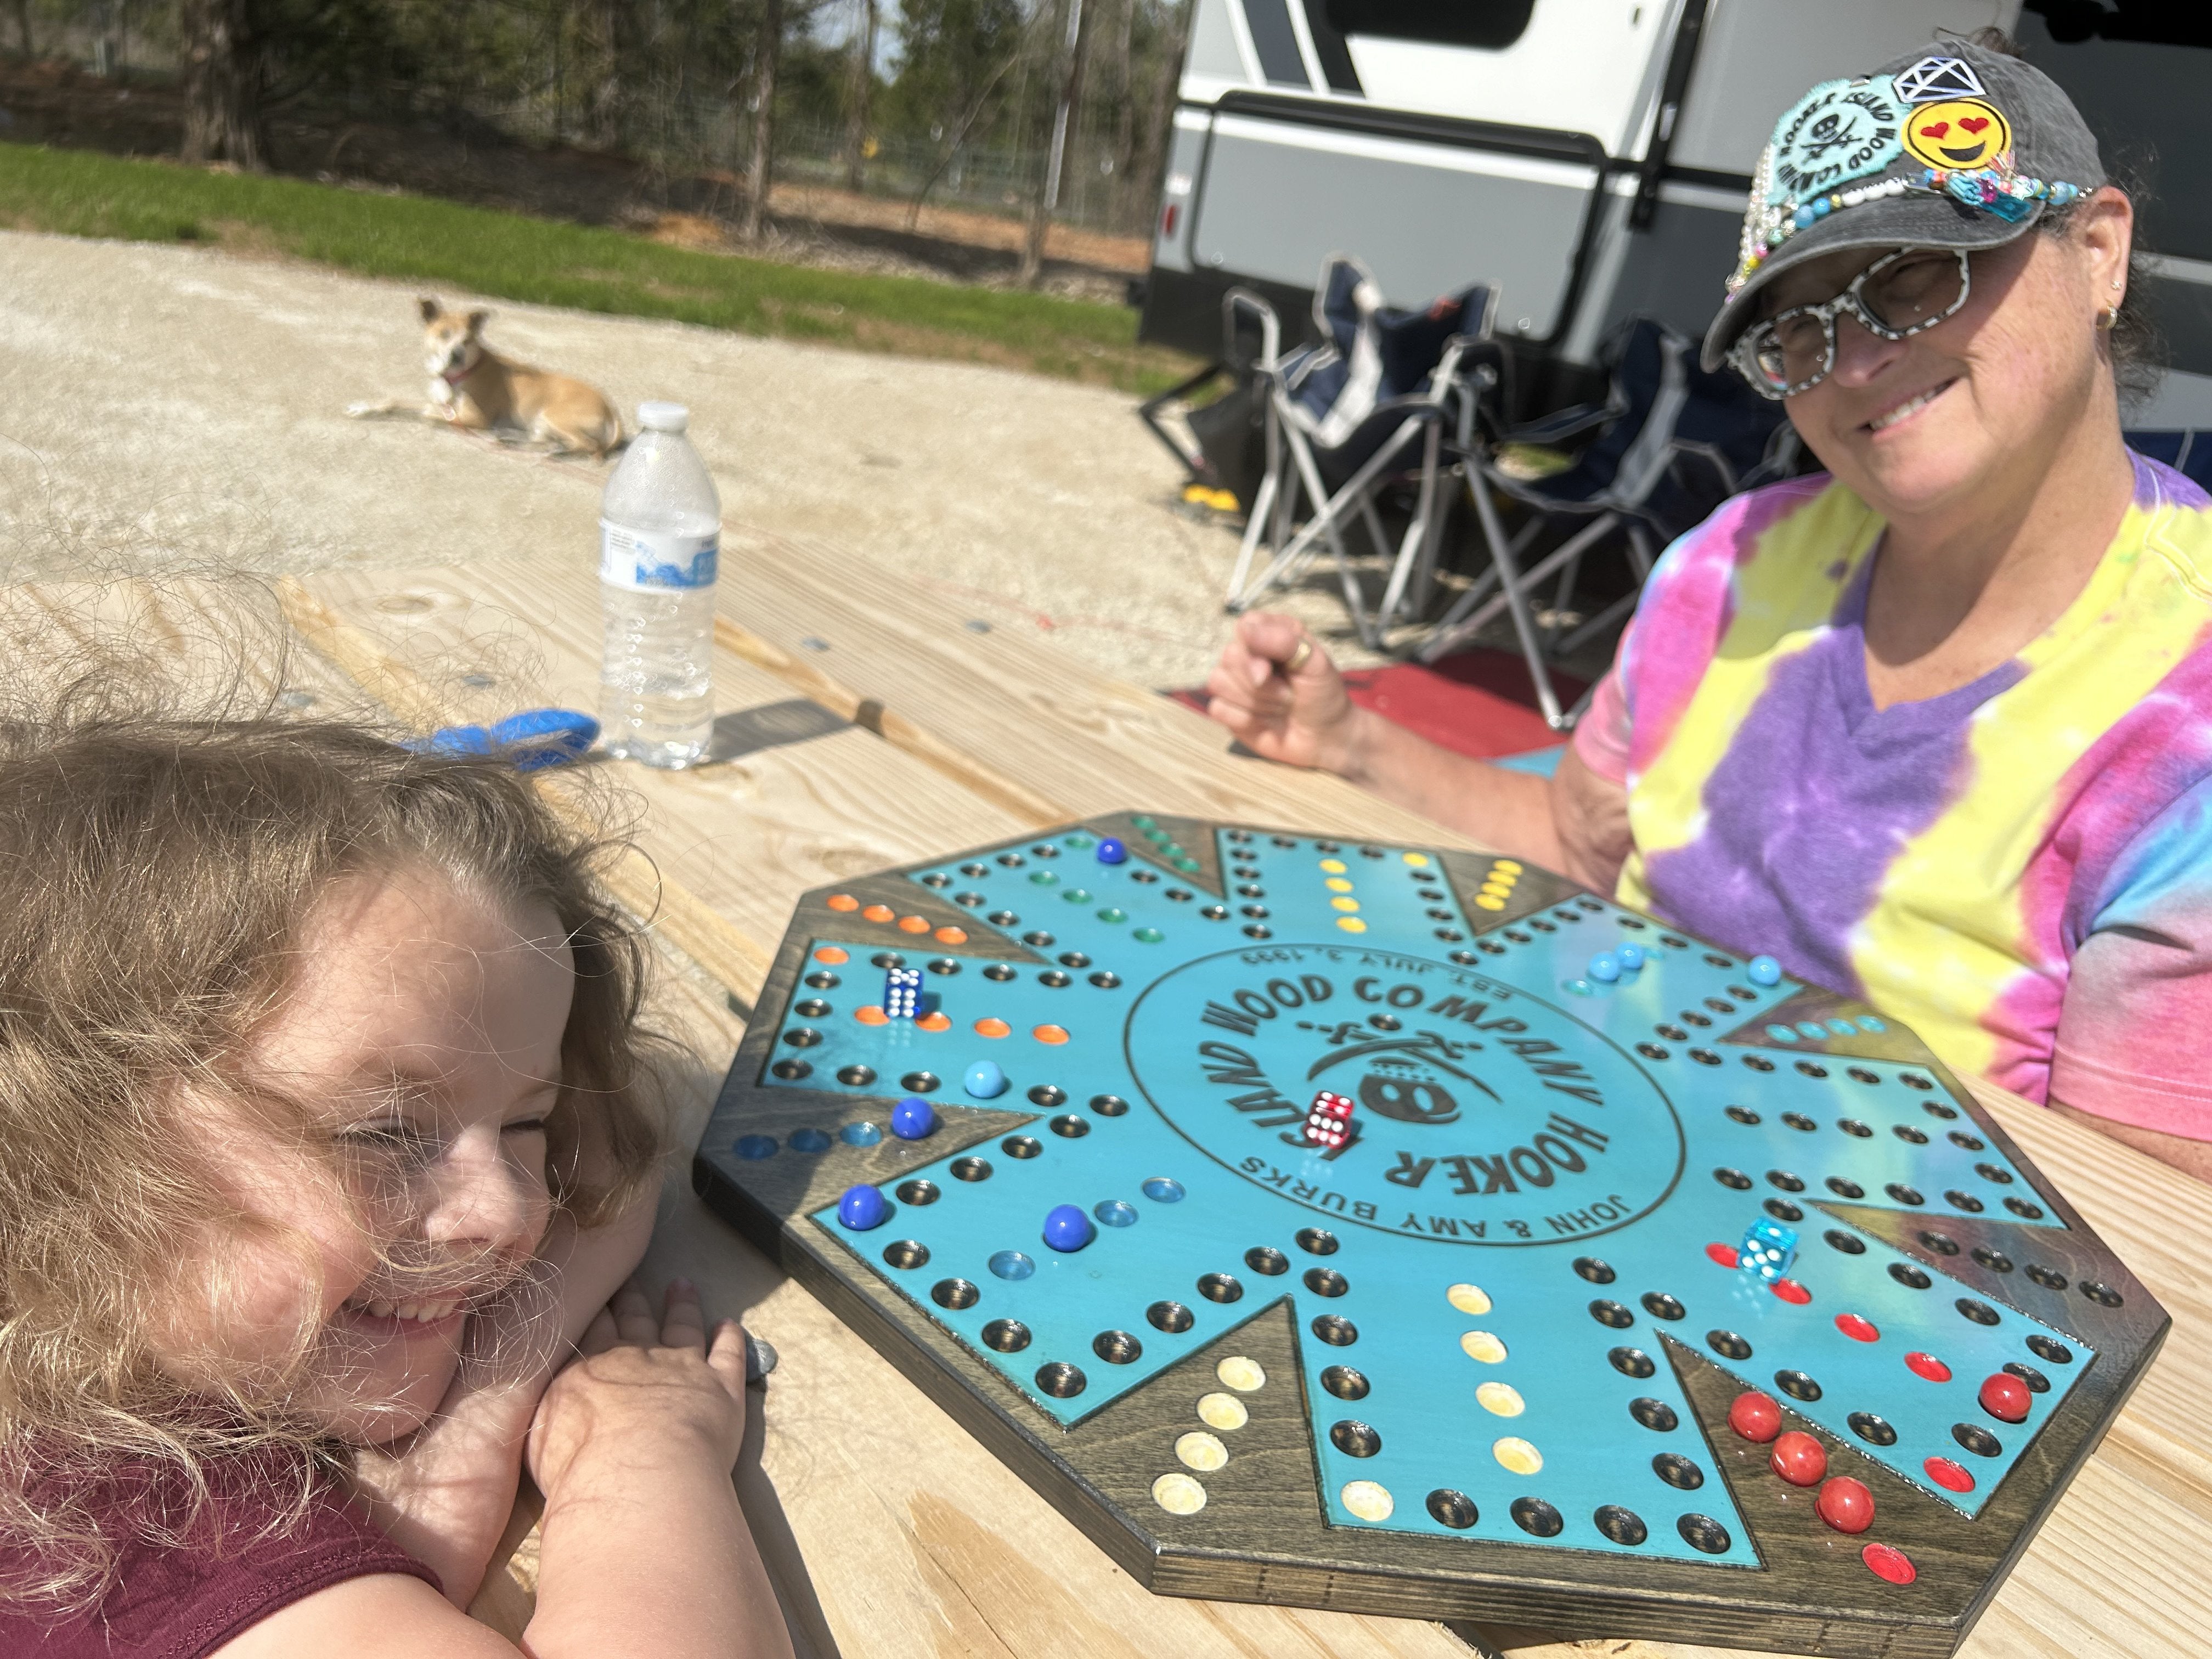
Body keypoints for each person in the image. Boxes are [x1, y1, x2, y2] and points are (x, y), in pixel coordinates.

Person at [1206, 33, 2212, 1181]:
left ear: (2097, 254)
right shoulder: (1728, 564)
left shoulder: (2190, 731)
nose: (1851, 365)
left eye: (1914, 274)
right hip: (1568, 1174)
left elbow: (2140, 1232)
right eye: (1800, 327)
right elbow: (1577, 850)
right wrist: (1351, 743)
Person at [0, 709, 794, 1658]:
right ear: (61, 1148)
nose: (505, 1208)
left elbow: (617, 1176)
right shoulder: (109, 1527)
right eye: (381, 1132)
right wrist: (639, 1454)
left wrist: (470, 1426)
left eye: (527, 1123)